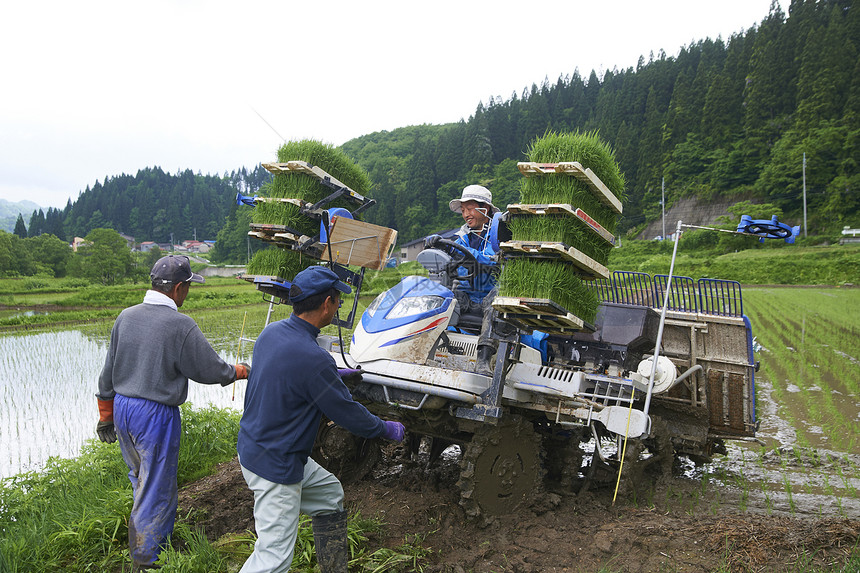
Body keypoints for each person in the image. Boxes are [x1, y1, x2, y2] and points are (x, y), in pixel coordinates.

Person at [237, 265, 405, 573]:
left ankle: (334, 567)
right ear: (326, 303)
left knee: (329, 494)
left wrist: (331, 377)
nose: (339, 306)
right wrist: (385, 428)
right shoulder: (314, 359)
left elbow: (286, 374)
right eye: (338, 300)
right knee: (273, 558)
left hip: (253, 446)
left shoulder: (272, 333)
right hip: (277, 464)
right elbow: (348, 414)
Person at [95, 254, 250, 572]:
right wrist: (240, 370)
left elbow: (107, 371)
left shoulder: (126, 316)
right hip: (154, 414)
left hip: (123, 407)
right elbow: (208, 369)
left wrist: (105, 414)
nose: (188, 293)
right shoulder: (180, 325)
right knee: (158, 486)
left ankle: (140, 541)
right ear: (179, 288)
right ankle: (148, 561)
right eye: (188, 287)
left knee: (140, 477)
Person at [425, 184, 501, 376]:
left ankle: (483, 361)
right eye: (463, 210)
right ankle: (428, 350)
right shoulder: (463, 237)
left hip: (488, 295)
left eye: (470, 209)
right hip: (467, 295)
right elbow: (453, 256)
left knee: (496, 301)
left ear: (486, 209)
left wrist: (456, 251)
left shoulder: (499, 236)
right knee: (439, 295)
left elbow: (491, 260)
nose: (466, 214)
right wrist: (439, 246)